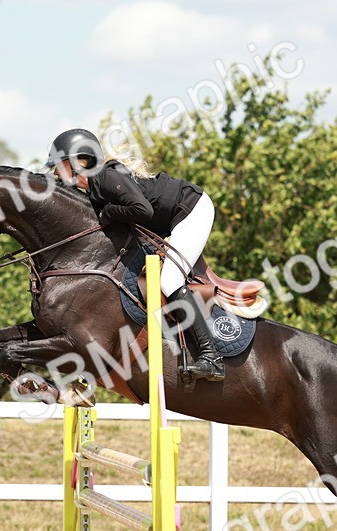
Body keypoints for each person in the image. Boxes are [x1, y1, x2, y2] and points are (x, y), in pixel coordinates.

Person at [45, 128, 224, 381]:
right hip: (173, 218)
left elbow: (142, 210)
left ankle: (212, 357)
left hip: (192, 210)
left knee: (169, 281)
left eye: (58, 167)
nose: (54, 173)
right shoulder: (94, 190)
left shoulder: (106, 176)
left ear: (76, 163)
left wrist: (108, 212)